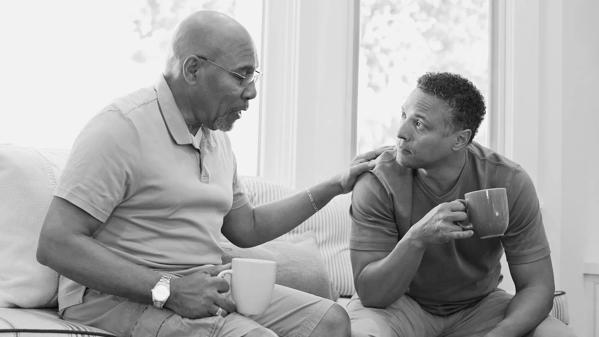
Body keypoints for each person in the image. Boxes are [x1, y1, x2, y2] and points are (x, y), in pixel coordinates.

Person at [36, 10, 382, 337]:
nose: (252, 91)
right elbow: (56, 244)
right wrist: (168, 289)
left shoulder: (215, 138)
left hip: (200, 287)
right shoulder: (121, 128)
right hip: (109, 299)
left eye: (253, 76)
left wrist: (335, 185)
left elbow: (247, 227)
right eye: (241, 75)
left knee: (330, 321)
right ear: (192, 70)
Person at [348, 72, 576, 337]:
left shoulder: (508, 181)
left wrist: (499, 334)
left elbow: (537, 286)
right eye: (403, 116)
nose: (400, 133)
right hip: (399, 305)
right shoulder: (378, 180)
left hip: (479, 307)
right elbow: (372, 293)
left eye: (419, 124)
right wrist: (417, 239)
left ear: (459, 139)